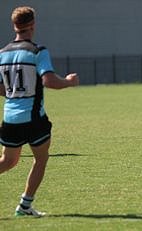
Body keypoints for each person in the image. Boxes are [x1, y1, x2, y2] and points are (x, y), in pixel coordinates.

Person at [0, 6, 79, 217]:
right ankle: (25, 206)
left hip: (9, 117)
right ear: (33, 25)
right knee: (41, 159)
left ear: (14, 25)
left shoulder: (3, 53)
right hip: (33, 118)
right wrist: (69, 82)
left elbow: (1, 88)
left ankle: (25, 207)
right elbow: (50, 81)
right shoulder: (37, 51)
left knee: (8, 161)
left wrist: (13, 92)